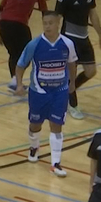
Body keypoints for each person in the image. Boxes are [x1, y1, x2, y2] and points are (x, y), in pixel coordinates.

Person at [14, 11, 77, 177]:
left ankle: (55, 163)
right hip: (39, 93)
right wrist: (19, 84)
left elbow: (72, 64)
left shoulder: (67, 44)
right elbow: (20, 65)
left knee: (57, 125)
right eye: (45, 23)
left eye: (51, 23)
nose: (47, 26)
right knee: (35, 125)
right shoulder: (34, 45)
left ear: (58, 23)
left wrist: (72, 84)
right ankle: (34, 147)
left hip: (59, 92)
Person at [54, 0, 101, 120]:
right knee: (71, 74)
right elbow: (56, 19)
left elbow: (93, 14)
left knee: (91, 71)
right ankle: (73, 105)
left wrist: (100, 35)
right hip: (69, 39)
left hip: (84, 38)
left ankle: (67, 91)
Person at [0, 0, 48, 90]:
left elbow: (0, 10)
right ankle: (20, 80)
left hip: (4, 23)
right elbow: (44, 10)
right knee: (26, 53)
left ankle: (15, 80)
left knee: (13, 53)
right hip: (20, 24)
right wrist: (48, 28)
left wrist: (0, 31)